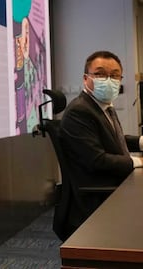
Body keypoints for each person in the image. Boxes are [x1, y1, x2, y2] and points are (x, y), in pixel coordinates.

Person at [58, 50, 143, 239]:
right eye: (100, 74)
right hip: (98, 196)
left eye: (114, 75)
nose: (109, 80)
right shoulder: (79, 111)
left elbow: (113, 139)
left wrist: (140, 141)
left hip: (112, 185)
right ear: (86, 78)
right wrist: (138, 161)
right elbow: (97, 160)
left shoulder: (102, 106)